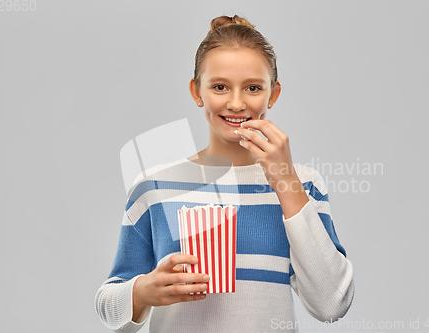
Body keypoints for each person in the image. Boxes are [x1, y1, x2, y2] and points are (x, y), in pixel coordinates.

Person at [95, 14, 355, 332]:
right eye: (220, 87)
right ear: (196, 91)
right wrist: (144, 291)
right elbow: (109, 309)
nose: (236, 103)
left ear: (273, 95)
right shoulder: (155, 186)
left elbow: (331, 305)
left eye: (253, 88)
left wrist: (285, 180)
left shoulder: (304, 184)